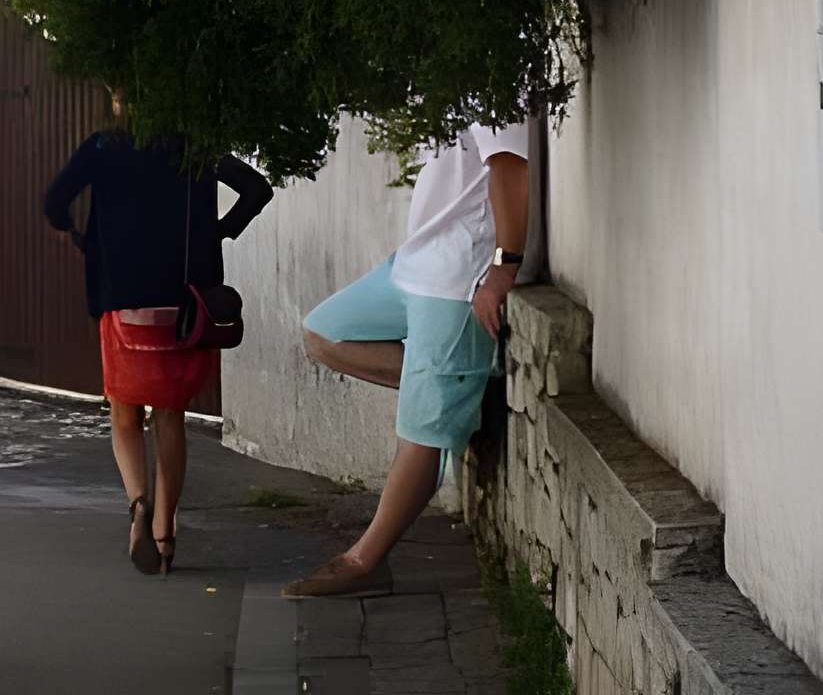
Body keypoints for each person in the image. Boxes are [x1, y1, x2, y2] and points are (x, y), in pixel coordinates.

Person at [284, 117, 534, 600]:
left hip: (458, 276)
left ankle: (365, 562)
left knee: (419, 434)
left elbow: (510, 166)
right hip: (413, 263)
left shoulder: (490, 73)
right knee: (323, 333)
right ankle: (452, 389)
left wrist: (503, 271)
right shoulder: (445, 71)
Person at [43, 104, 272, 577]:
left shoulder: (105, 146)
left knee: (124, 413)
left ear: (120, 101)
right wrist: (219, 232)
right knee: (170, 418)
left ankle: (138, 504)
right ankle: (166, 532)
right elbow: (256, 189)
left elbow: (54, 202)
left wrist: (75, 235)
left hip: (122, 303)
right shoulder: (194, 149)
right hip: (186, 305)